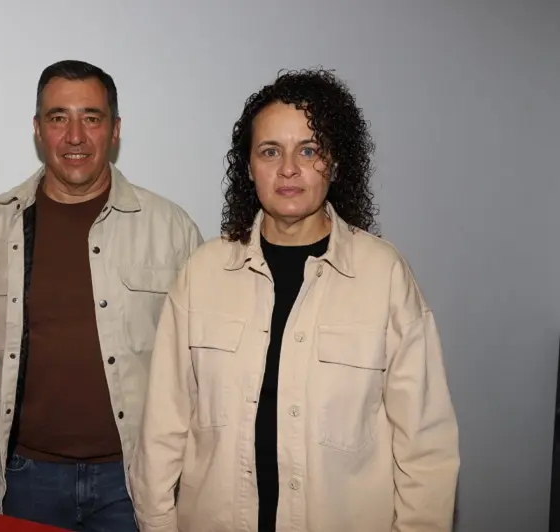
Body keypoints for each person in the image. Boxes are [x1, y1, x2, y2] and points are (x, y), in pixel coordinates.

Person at [129, 68, 460, 532]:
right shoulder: (202, 274)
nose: (289, 168)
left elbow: (425, 446)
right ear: (248, 167)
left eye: (309, 150)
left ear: (336, 163)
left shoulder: (384, 276)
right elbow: (161, 429)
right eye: (270, 151)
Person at [0, 59, 203, 531]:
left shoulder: (171, 228)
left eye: (92, 117)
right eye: (59, 117)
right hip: (29, 478)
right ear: (38, 130)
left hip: (133, 479)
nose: (75, 136)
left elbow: (201, 366)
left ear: (115, 129)